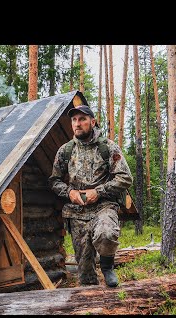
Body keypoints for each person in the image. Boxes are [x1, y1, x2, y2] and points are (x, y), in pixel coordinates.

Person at [48, 104, 133, 287]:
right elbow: (54, 181)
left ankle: (107, 266)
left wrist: (99, 191)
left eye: (82, 119)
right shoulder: (66, 151)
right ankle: (91, 303)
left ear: (92, 122)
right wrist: (69, 192)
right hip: (77, 212)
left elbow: (125, 177)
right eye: (74, 120)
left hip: (103, 207)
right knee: (85, 273)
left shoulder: (108, 148)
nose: (77, 124)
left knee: (107, 232)